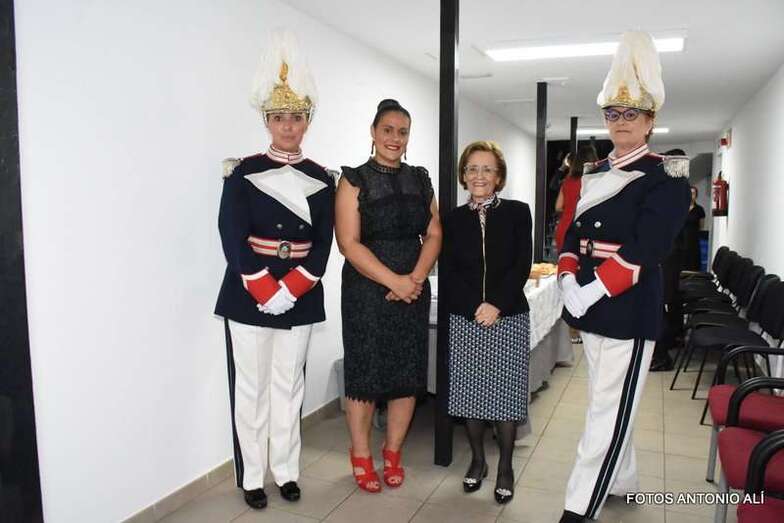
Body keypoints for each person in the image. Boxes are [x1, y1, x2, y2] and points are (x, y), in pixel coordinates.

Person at [556, 32, 690, 523]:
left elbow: (647, 249)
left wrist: (593, 288)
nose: (621, 121)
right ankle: (624, 480)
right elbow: (573, 235)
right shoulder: (594, 172)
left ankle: (578, 508)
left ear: (650, 120)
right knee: (606, 401)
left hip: (627, 307)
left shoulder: (665, 176)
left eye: (632, 113)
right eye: (613, 113)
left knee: (605, 413)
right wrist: (568, 280)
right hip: (591, 305)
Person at [214, 30, 335, 510]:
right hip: (249, 292)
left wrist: (294, 287)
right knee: (252, 387)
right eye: (280, 117)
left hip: (299, 294)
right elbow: (231, 234)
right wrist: (264, 286)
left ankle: (286, 471)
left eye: (297, 117)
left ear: (308, 122)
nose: (288, 126)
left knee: (289, 386)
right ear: (267, 120)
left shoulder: (322, 178)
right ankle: (251, 477)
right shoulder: (243, 172)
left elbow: (323, 242)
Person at [335, 99, 441, 493]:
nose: (395, 138)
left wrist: (415, 278)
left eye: (402, 131)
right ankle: (361, 454)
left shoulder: (421, 178)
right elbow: (348, 243)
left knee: (406, 373)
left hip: (413, 287)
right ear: (373, 132)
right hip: (366, 290)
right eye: (388, 130)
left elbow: (434, 232)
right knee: (365, 373)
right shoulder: (353, 180)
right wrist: (394, 281)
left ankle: (393, 452)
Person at [441, 141, 532, 504]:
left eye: (487, 169)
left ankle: (505, 466)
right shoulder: (451, 219)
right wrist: (474, 307)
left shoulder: (518, 213)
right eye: (472, 169)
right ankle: (478, 461)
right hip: (466, 318)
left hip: (508, 316)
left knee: (505, 396)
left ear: (499, 177)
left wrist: (496, 305)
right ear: (463, 175)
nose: (479, 175)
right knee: (471, 394)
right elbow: (448, 272)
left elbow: (521, 264)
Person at [650, 148, 689, 372]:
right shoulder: (680, 188)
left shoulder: (674, 190)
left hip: (667, 255)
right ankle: (665, 345)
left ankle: (661, 356)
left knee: (660, 303)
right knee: (664, 302)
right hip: (670, 253)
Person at [554, 145, 598, 253]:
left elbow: (558, 207)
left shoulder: (568, 181)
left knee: (565, 261)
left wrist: (569, 211)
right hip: (584, 230)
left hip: (564, 228)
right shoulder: (595, 181)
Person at [682, 185, 706, 271]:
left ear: (696, 196)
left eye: (693, 193)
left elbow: (701, 226)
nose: (691, 195)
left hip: (693, 240)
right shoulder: (681, 208)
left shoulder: (700, 209)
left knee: (693, 263)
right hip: (682, 240)